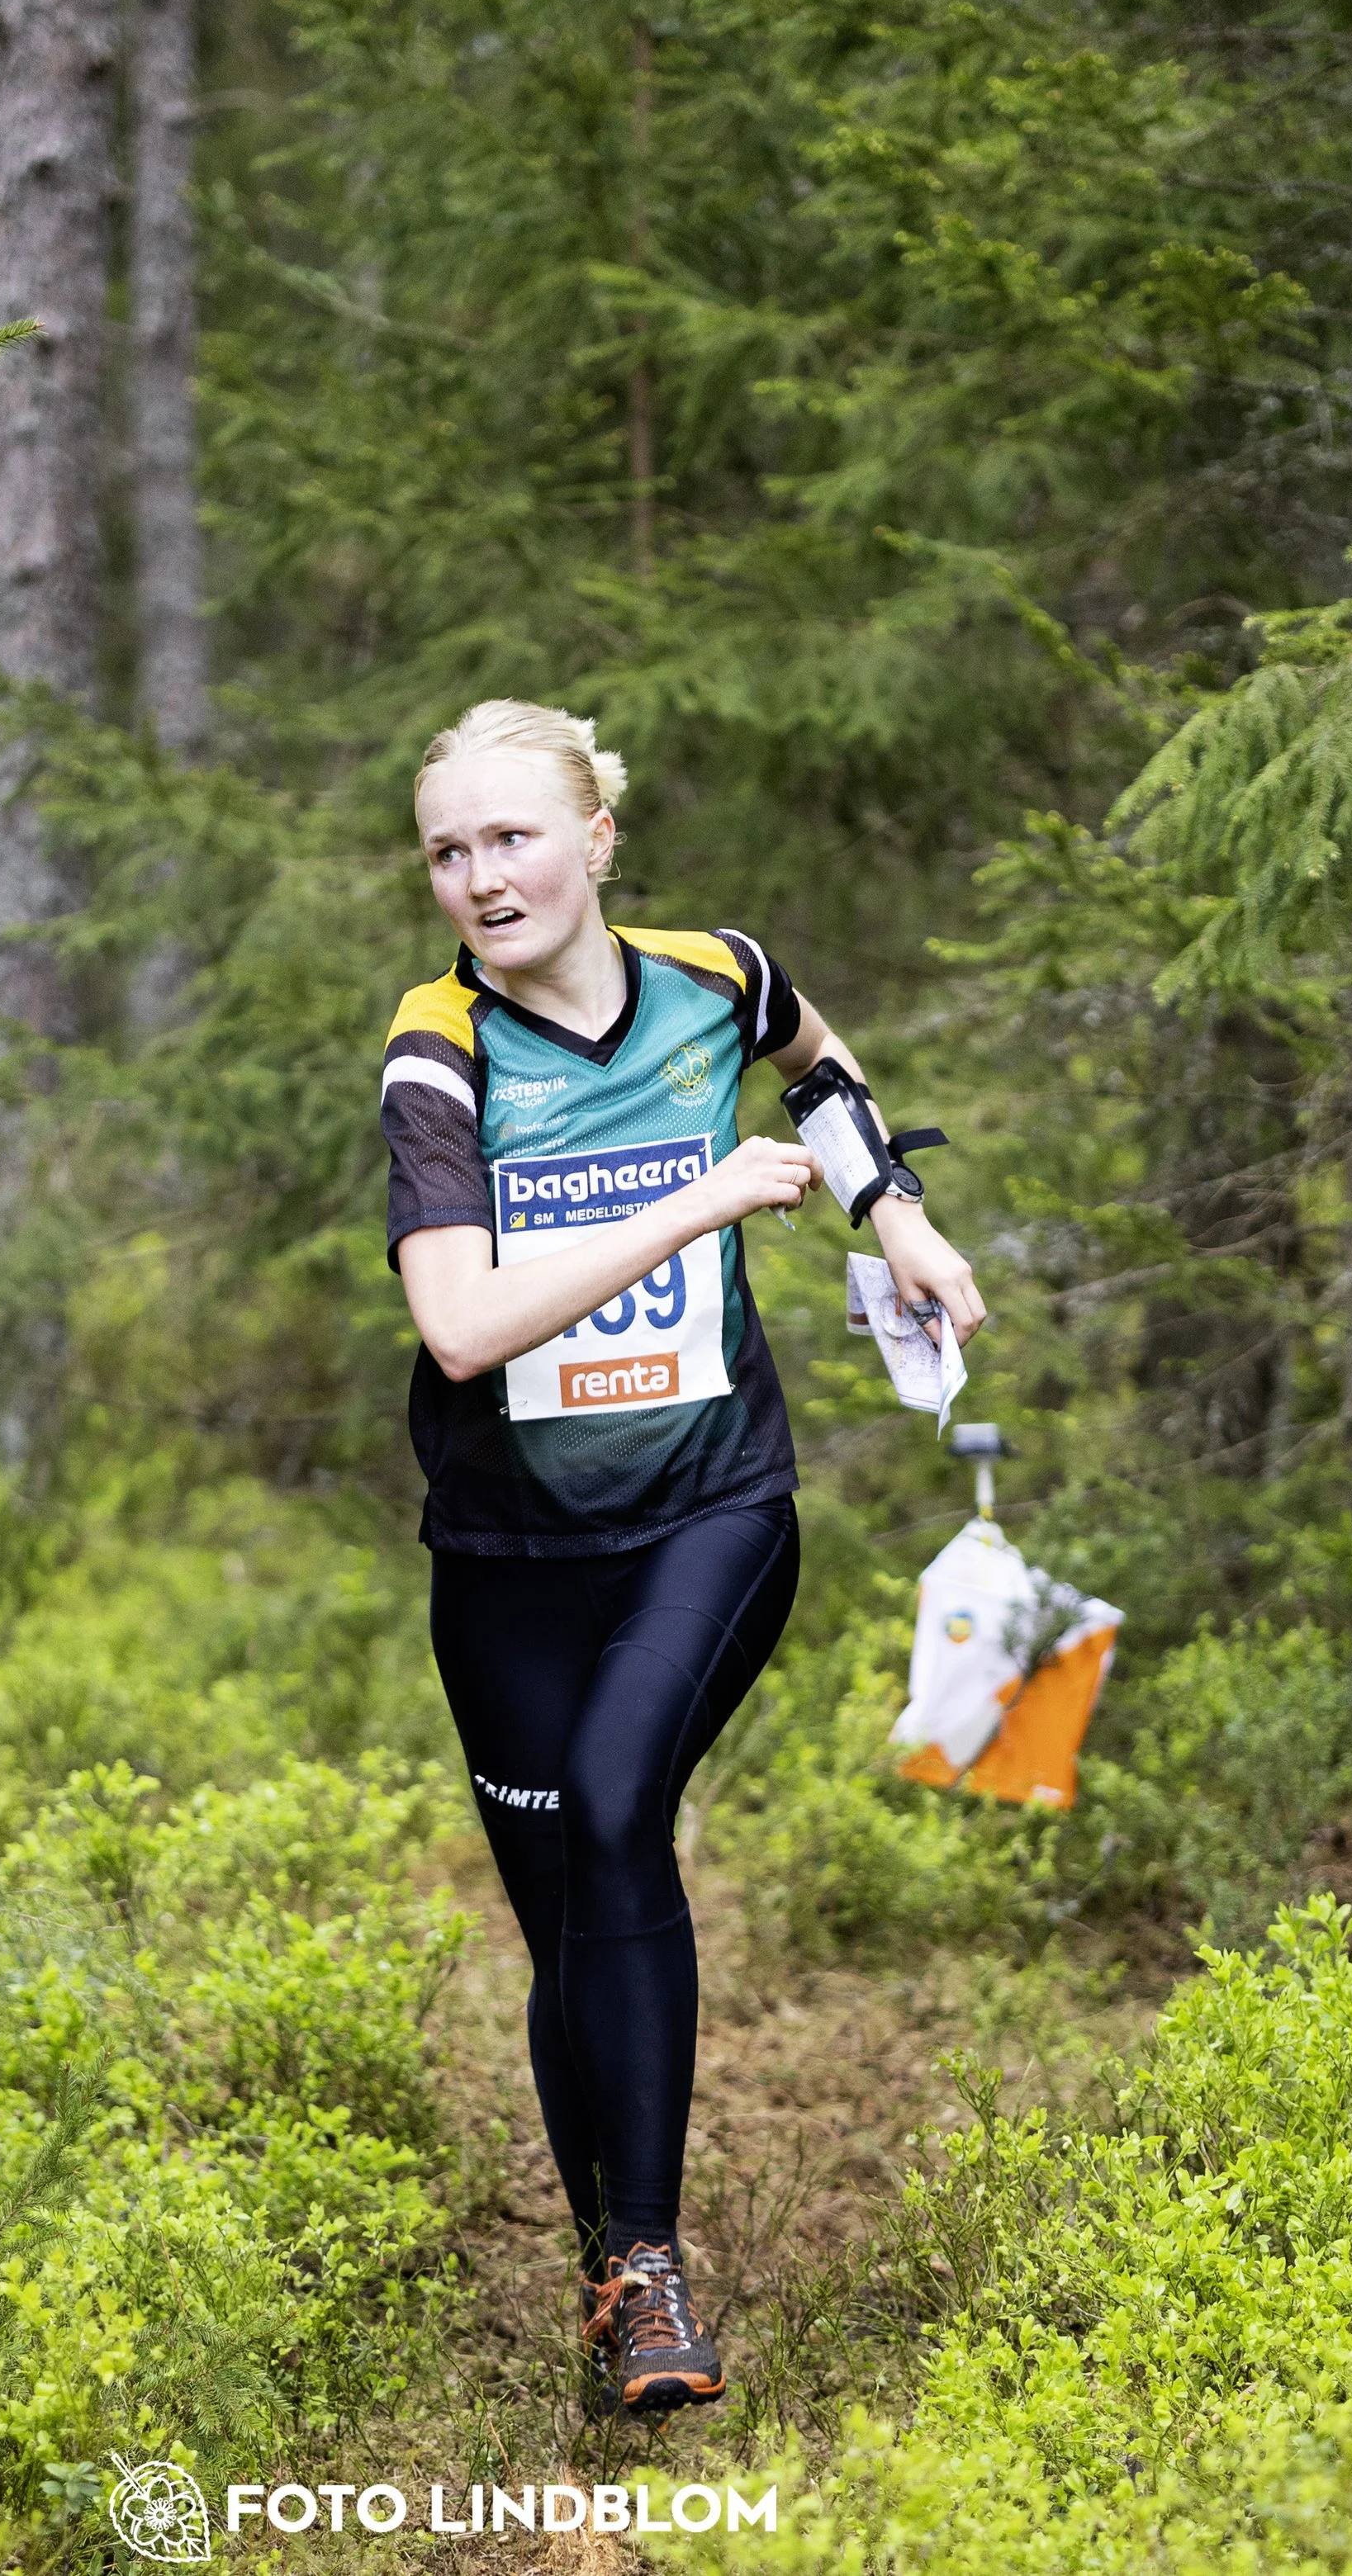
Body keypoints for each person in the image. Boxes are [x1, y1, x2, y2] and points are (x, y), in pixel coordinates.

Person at [380, 698, 984, 2417]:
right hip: (503, 1550)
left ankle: (649, 2273)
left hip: (710, 1507)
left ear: (593, 838)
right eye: (447, 850)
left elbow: (821, 1065)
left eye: (510, 836)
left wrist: (895, 1210)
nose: (481, 877)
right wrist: (696, 1201)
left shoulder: (713, 974)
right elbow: (457, 1326)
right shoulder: (441, 1055)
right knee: (566, 1908)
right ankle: (606, 2273)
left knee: (619, 1798)